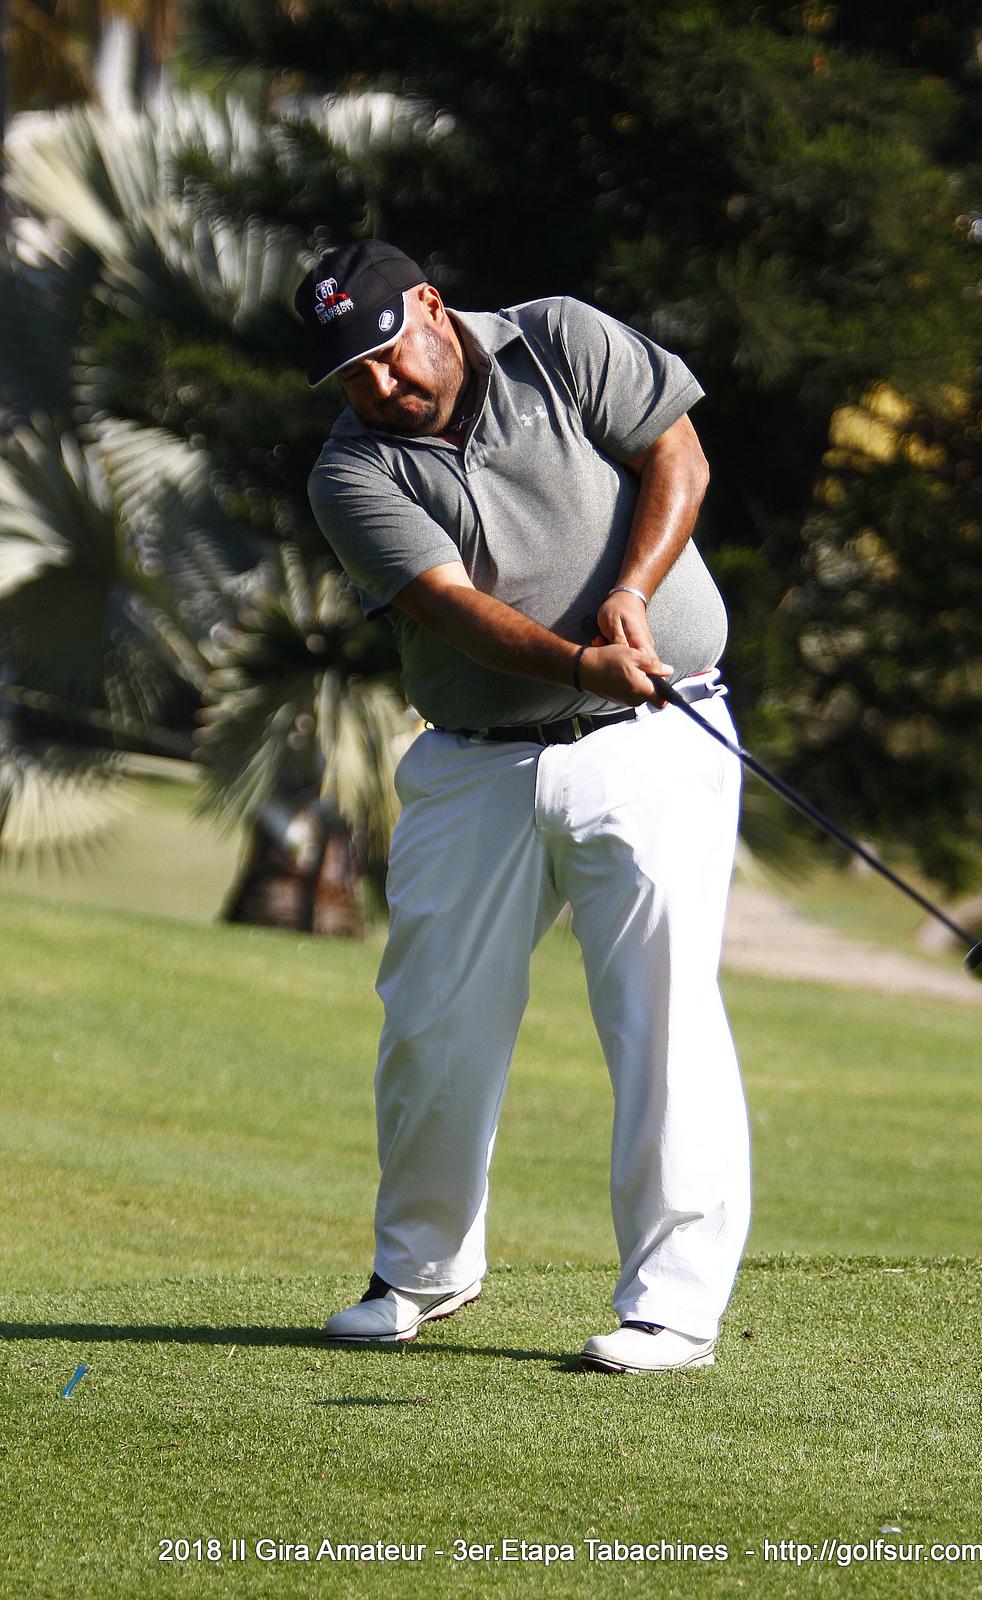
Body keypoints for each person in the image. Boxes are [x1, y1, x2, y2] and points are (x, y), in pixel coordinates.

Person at [298, 239, 749, 1374]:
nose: (380, 387)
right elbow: (448, 608)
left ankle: (671, 1309)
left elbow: (678, 456)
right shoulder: (351, 471)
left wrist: (632, 592)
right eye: (352, 375)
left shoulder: (557, 338)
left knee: (661, 1015)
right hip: (475, 762)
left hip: (656, 736)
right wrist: (579, 661)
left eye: (388, 354)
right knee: (431, 1023)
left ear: (430, 306)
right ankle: (421, 1269)